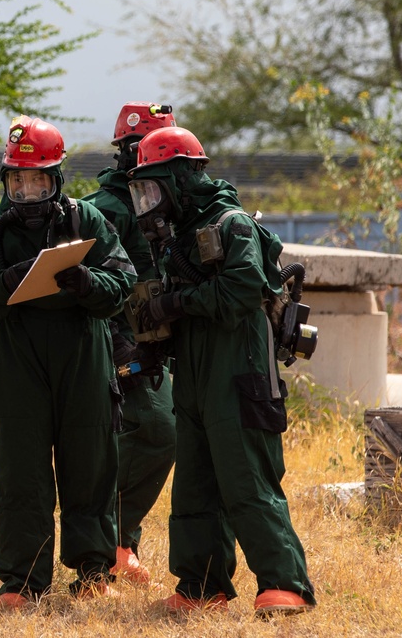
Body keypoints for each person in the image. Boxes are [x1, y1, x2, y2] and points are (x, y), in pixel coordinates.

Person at [126, 126, 316, 616]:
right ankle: (201, 585)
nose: (147, 200)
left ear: (182, 178)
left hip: (242, 372)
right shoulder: (176, 240)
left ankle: (285, 584)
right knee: (195, 483)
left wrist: (175, 302)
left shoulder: (231, 224)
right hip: (193, 375)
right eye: (140, 190)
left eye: (154, 187)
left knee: (246, 477)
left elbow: (240, 292)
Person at [0, 115, 136, 609]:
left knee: (91, 464)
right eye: (17, 179)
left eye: (37, 179)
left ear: (56, 178)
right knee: (20, 473)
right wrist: (8, 281)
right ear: (5, 180)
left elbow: (123, 282)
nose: (27, 189)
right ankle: (21, 581)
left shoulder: (88, 221)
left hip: (84, 356)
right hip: (18, 363)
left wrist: (89, 284)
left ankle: (94, 569)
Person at [81, 102, 178, 585]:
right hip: (121, 342)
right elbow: (91, 284)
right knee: (157, 429)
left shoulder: (167, 201)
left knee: (153, 435)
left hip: (161, 340)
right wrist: (119, 344)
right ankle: (101, 539)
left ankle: (120, 543)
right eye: (143, 147)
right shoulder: (105, 210)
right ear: (124, 152)